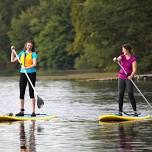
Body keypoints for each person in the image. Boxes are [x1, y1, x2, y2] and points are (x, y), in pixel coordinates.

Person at [11, 40, 38, 117]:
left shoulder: (34, 54)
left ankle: (33, 112)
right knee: (21, 92)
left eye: (31, 46)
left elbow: (34, 64)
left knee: (31, 92)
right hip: (23, 74)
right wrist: (13, 51)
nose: (29, 47)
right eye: (28, 45)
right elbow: (12, 60)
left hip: (32, 74)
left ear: (32, 47)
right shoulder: (21, 53)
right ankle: (21, 111)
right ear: (26, 46)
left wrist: (26, 67)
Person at [113, 43, 137, 116]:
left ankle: (135, 111)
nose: (122, 51)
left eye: (123, 50)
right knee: (120, 94)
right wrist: (115, 60)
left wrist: (131, 75)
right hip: (121, 77)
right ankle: (120, 111)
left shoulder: (133, 58)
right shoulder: (122, 57)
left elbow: (134, 69)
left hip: (129, 77)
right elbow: (117, 59)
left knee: (130, 93)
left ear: (127, 50)